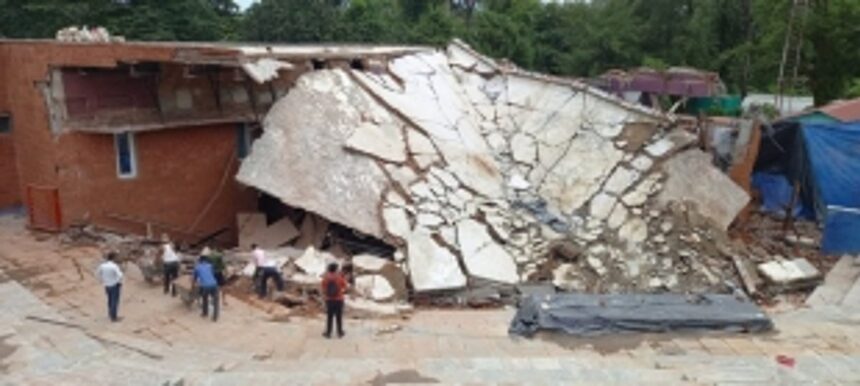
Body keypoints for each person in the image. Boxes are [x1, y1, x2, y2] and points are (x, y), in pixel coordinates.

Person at [321, 262, 347, 338]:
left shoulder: (326, 278)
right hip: (339, 299)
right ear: (336, 269)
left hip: (329, 300)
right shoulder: (339, 277)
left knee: (329, 317)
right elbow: (345, 286)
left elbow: (323, 288)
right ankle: (340, 332)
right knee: (339, 317)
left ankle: (328, 333)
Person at [96, 252, 124, 322]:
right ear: (113, 258)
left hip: (107, 285)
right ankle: (114, 317)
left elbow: (98, 273)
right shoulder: (114, 266)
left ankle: (110, 314)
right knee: (115, 301)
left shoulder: (102, 266)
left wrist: (102, 280)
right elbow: (120, 275)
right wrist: (119, 282)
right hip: (114, 285)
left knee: (110, 300)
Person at [193, 255, 219, 322]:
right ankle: (215, 317)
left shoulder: (197, 267)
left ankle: (205, 313)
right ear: (206, 260)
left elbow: (194, 278)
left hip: (205, 286)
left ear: (199, 261)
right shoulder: (210, 265)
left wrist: (193, 285)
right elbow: (212, 274)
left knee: (205, 299)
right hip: (214, 284)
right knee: (216, 301)